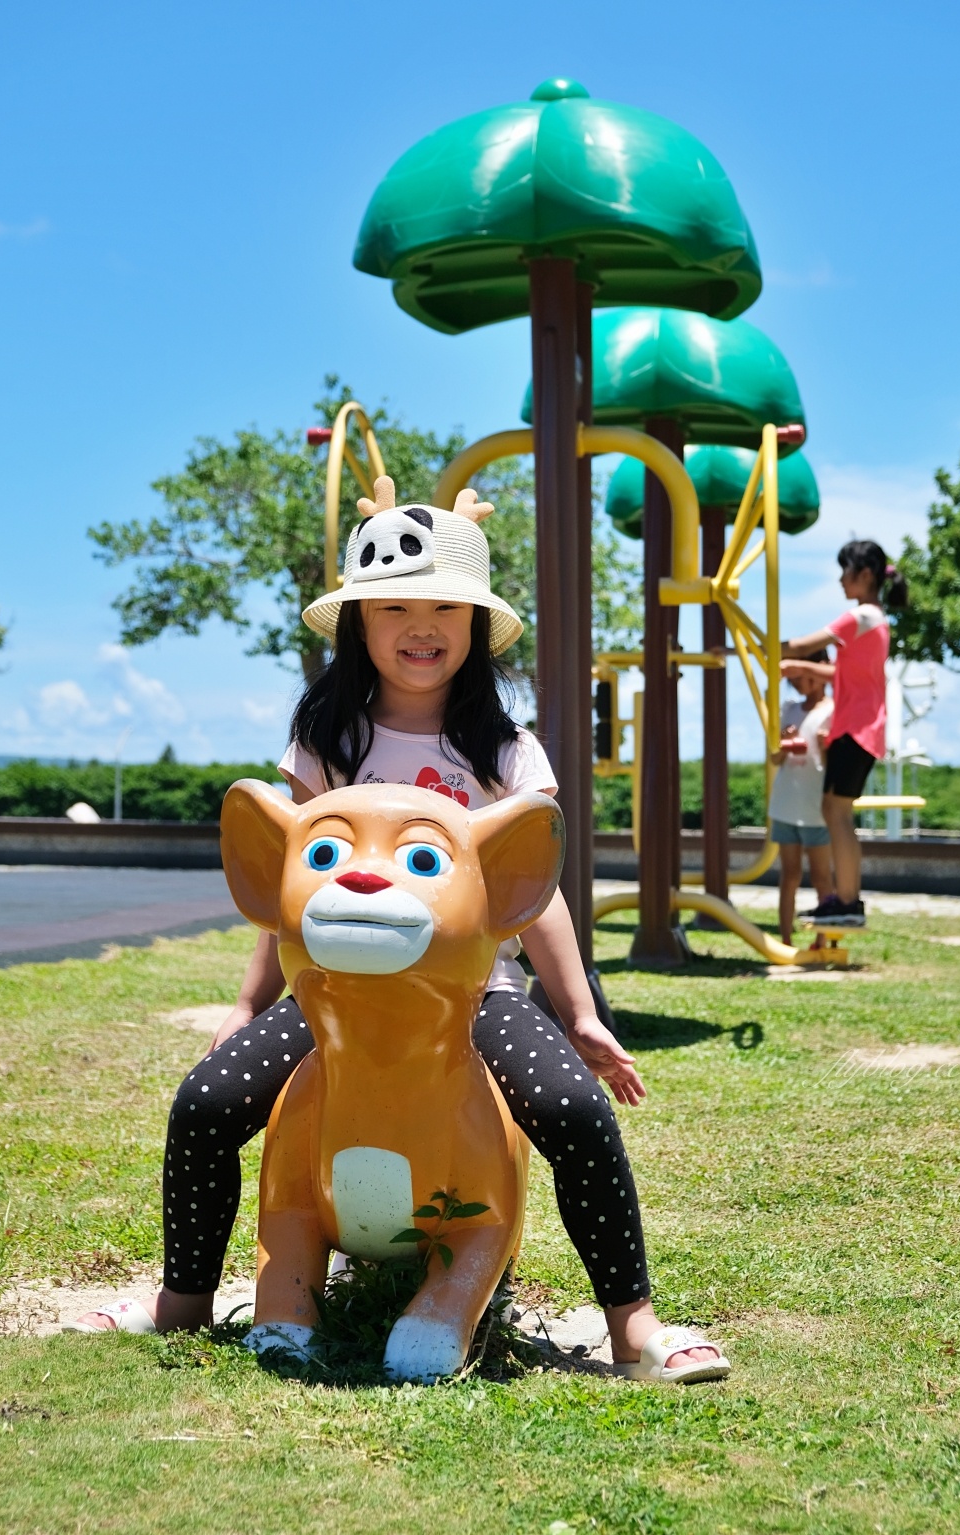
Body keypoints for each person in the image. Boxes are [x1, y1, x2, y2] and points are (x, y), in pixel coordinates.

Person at [68, 480, 729, 1384]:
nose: (423, 626)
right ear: (360, 622)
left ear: (475, 623)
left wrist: (578, 1011)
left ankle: (633, 1323)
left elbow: (539, 895)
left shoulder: (505, 752)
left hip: (474, 992)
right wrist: (248, 1000)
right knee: (208, 1103)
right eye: (396, 607)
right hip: (332, 994)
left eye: (445, 607)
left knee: (574, 1110)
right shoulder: (326, 736)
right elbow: (290, 885)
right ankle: (183, 1298)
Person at [780, 539, 908, 929]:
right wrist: (787, 663)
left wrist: (753, 646)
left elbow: (802, 645)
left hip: (857, 729)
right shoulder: (875, 621)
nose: (839, 579)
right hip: (857, 728)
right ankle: (845, 898)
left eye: (845, 571)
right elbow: (841, 674)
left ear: (864, 575)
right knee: (835, 811)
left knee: (836, 813)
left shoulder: (862, 617)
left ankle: (848, 900)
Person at [768, 651, 834, 944]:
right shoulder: (789, 708)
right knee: (789, 876)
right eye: (792, 678)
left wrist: (825, 746)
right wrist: (783, 742)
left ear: (820, 670)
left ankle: (826, 939)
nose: (795, 683)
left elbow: (836, 769)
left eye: (800, 676)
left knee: (822, 877)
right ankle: (785, 940)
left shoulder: (834, 710)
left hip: (816, 809)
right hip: (786, 805)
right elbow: (775, 759)